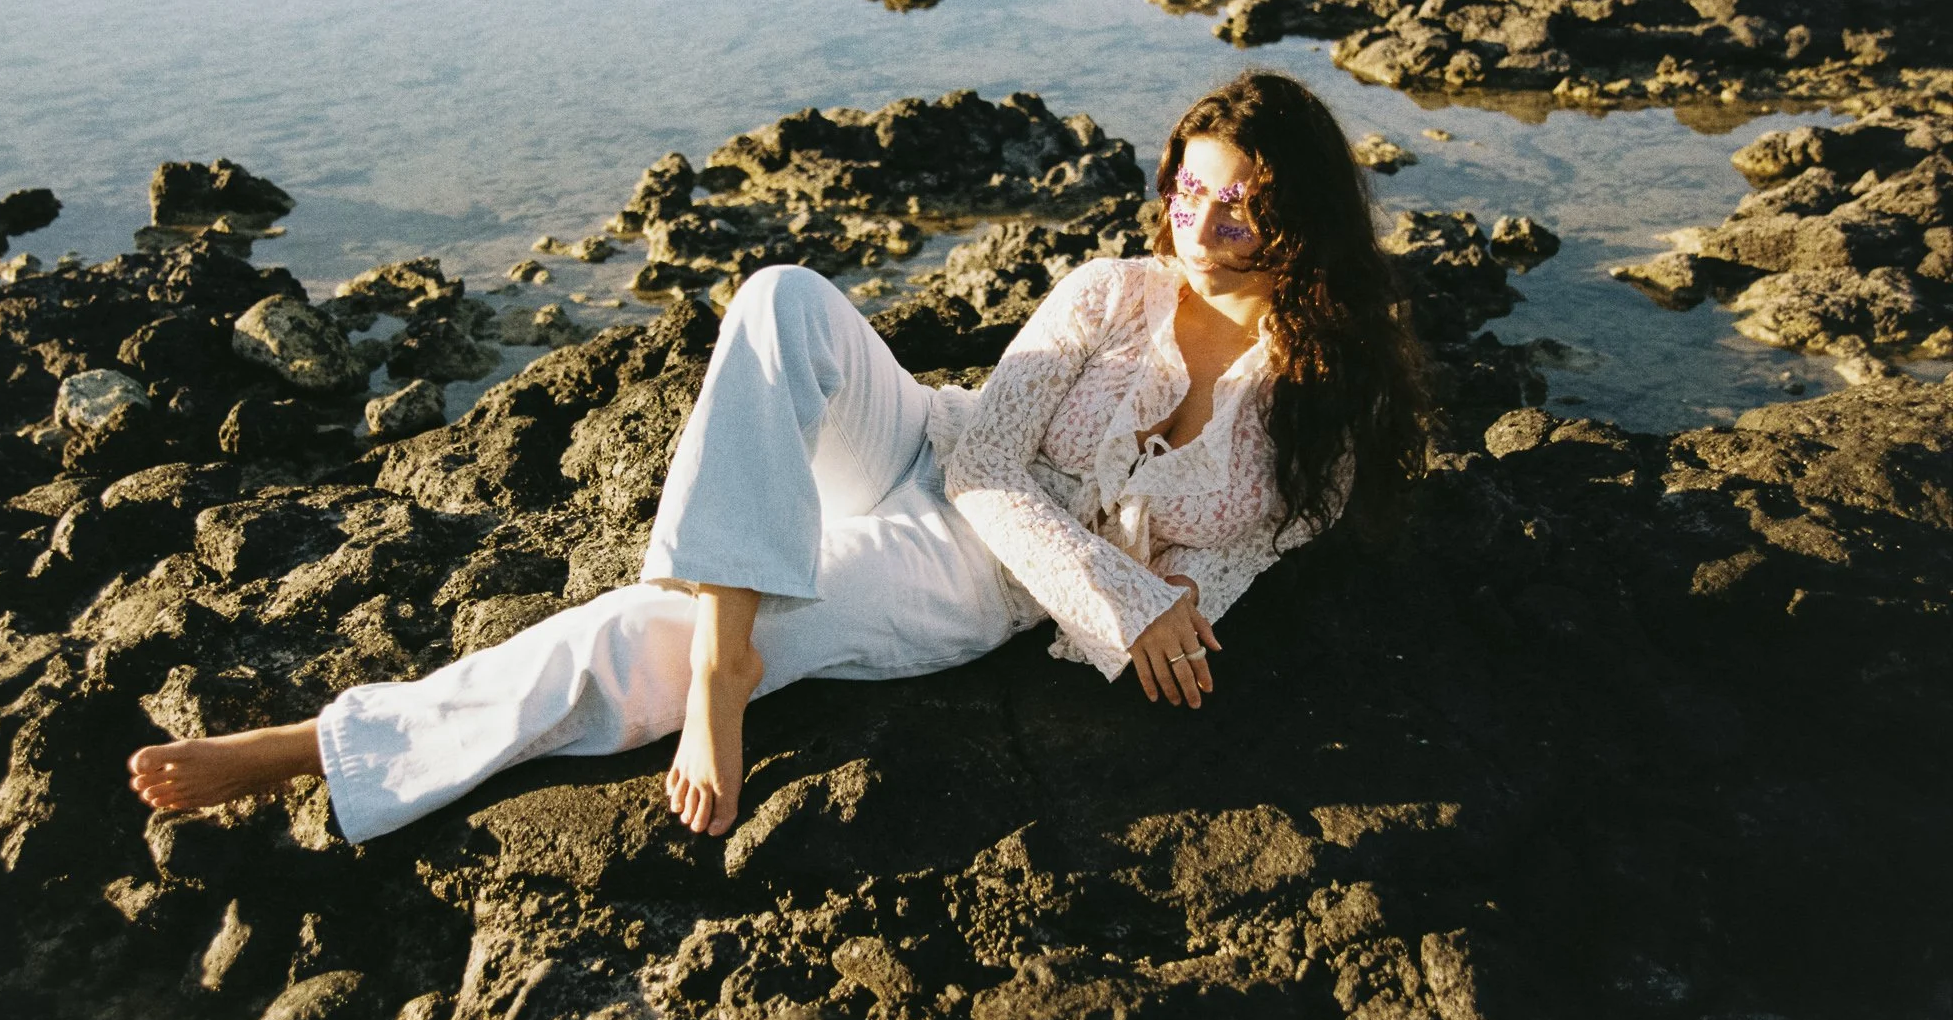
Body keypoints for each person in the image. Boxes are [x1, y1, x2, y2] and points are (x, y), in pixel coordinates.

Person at [127, 71, 1425, 841]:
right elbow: (980, 459)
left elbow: (1260, 542)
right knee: (780, 296)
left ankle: (312, 749)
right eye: (1189, 189)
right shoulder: (1111, 292)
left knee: (644, 632)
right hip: (936, 441)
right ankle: (733, 641)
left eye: (1242, 199)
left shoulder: (1331, 396)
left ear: (1298, 206)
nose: (1206, 221)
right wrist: (1130, 599)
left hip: (978, 579)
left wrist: (1167, 607)